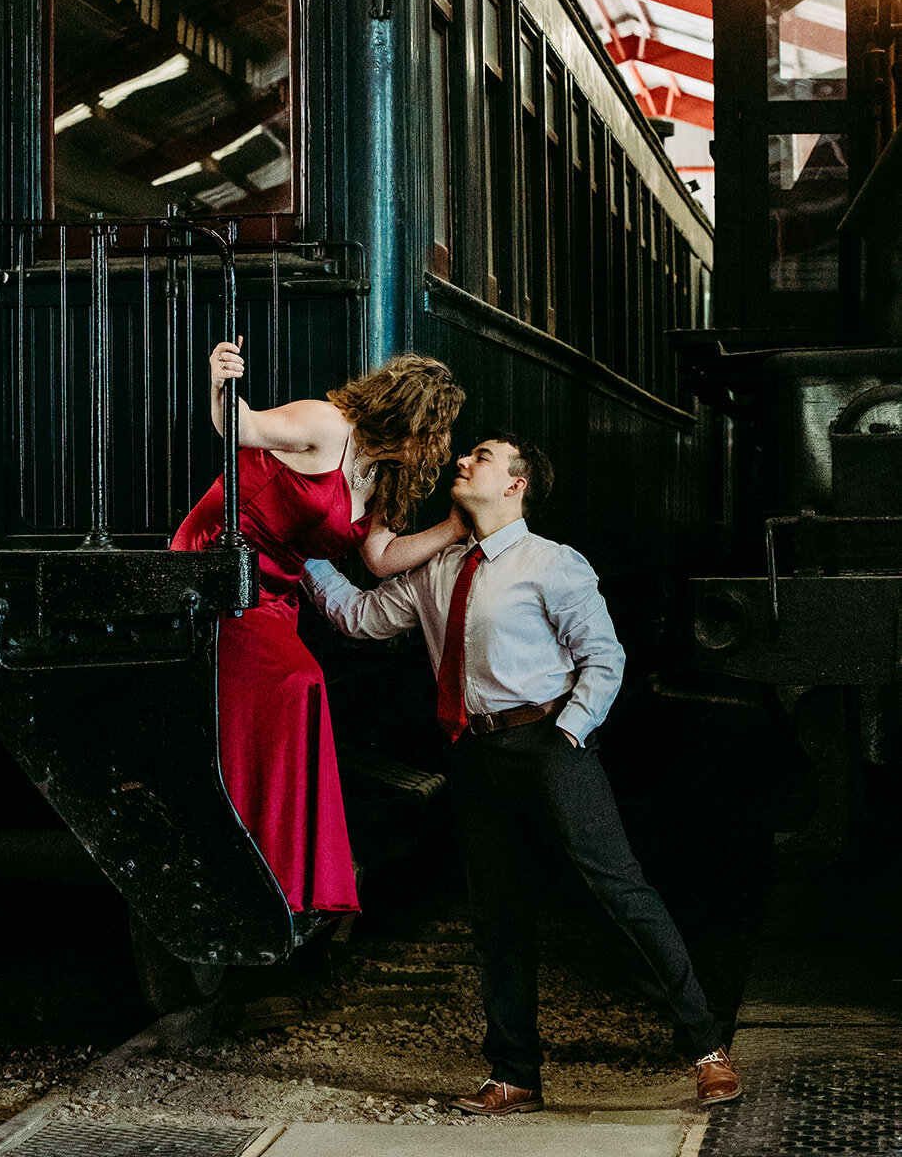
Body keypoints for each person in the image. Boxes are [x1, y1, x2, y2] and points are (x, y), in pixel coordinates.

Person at [302, 432, 742, 1111]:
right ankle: (514, 1075)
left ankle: (706, 1050)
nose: (462, 462)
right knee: (497, 917)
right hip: (473, 756)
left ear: (515, 484)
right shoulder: (437, 568)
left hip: (546, 744)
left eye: (479, 456)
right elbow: (359, 618)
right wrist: (300, 554)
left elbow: (603, 655)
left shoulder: (551, 563)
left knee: (618, 896)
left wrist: (567, 734)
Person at [171, 340, 466, 917]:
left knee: (305, 686)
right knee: (298, 681)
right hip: (218, 568)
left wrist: (454, 529)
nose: (441, 445)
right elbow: (240, 427)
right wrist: (216, 378)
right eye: (436, 428)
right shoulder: (327, 425)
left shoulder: (383, 478)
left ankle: (286, 873)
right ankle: (255, 853)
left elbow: (379, 559)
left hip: (274, 591)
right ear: (408, 415)